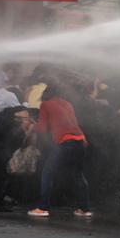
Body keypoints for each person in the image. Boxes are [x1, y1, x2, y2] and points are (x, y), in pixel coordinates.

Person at [28, 83, 92, 218]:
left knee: (47, 173)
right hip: (80, 141)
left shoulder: (46, 104)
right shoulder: (68, 104)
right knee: (77, 174)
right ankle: (84, 209)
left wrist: (33, 126)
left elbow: (42, 128)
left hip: (65, 142)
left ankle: (42, 208)